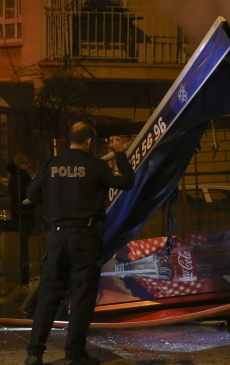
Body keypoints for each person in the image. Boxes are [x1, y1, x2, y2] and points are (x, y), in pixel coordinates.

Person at [23, 122, 135, 365]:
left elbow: (32, 194)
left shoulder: (51, 165)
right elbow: (127, 182)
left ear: (69, 139)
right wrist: (120, 153)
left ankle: (34, 353)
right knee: (82, 296)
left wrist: (54, 203)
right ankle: (74, 353)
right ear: (89, 142)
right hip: (85, 239)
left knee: (48, 296)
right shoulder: (95, 166)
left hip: (56, 237)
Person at [8, 153, 32, 221]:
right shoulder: (20, 177)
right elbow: (21, 193)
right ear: (20, 165)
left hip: (18, 208)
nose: (29, 165)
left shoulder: (17, 176)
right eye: (26, 163)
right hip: (22, 209)